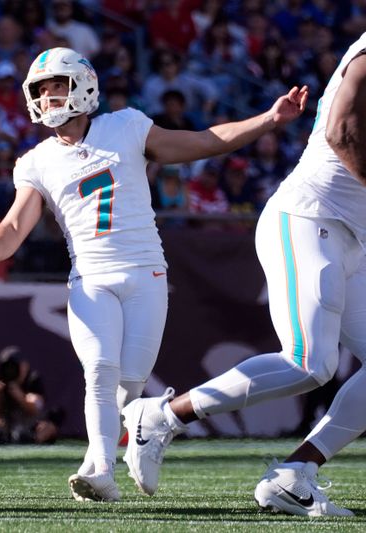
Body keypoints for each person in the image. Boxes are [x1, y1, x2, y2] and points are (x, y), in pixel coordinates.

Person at [0, 46, 308, 503]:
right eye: (41, 91)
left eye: (56, 87)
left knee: (128, 385)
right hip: (90, 277)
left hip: (146, 273)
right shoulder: (36, 160)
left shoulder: (125, 125)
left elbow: (203, 140)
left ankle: (139, 437)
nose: (47, 98)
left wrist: (267, 119)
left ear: (82, 85)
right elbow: (13, 225)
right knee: (101, 371)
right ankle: (100, 468)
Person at [122, 32, 366, 519]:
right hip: (309, 219)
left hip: (351, 235)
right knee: (308, 363)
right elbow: (342, 133)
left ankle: (296, 474)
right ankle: (162, 415)